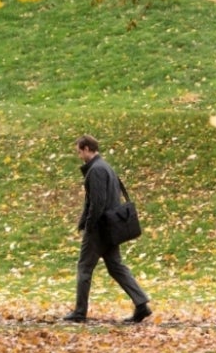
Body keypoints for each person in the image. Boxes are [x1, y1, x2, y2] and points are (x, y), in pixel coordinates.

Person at [63, 135, 152, 323]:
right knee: (116, 267)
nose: (79, 155)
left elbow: (97, 202)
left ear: (87, 149)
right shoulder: (106, 166)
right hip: (111, 227)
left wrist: (89, 225)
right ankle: (141, 304)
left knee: (84, 267)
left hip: (99, 229)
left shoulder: (95, 170)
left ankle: (80, 312)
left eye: (79, 151)